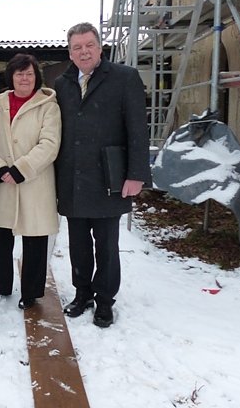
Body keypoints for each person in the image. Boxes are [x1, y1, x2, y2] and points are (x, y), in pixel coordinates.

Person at [54, 22, 151, 328]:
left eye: (89, 45)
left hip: (109, 175)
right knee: (78, 243)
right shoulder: (61, 84)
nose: (83, 52)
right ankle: (82, 293)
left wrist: (136, 174)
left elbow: (138, 129)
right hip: (72, 177)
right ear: (70, 53)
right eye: (77, 47)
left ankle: (105, 301)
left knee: (107, 245)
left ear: (99, 48)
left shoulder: (124, 77)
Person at [0, 53, 61, 310]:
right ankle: (2, 284)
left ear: (36, 77)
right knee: (3, 237)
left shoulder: (48, 105)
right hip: (4, 182)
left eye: (29, 73)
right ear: (11, 76)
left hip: (34, 182)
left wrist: (21, 169)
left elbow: (50, 144)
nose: (25, 78)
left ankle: (31, 292)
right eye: (20, 74)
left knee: (35, 239)